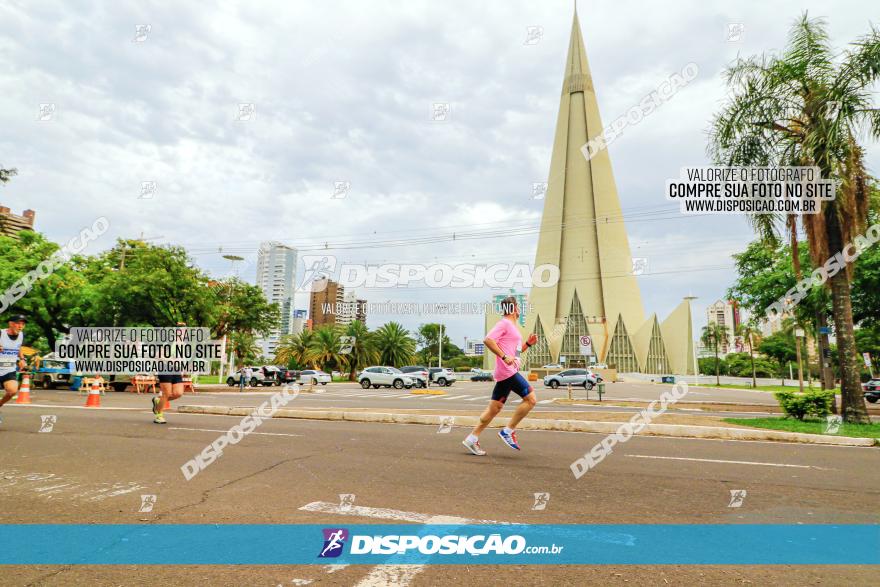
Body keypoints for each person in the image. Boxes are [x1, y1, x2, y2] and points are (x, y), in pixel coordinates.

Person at [462, 297, 538, 455]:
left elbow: (515, 353)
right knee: (531, 399)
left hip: (507, 372)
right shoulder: (504, 323)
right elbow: (488, 340)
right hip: (508, 371)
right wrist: (504, 357)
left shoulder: (513, 327)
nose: (519, 309)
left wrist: (528, 344)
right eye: (518, 306)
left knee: (494, 409)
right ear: (512, 308)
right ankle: (508, 431)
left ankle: (471, 438)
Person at [152, 322, 187, 424]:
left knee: (178, 393)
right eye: (181, 331)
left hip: (176, 370)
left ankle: (158, 402)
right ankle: (159, 415)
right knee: (167, 393)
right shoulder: (169, 342)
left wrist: (182, 369)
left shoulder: (183, 345)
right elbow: (157, 355)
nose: (183, 334)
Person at [0, 315, 28, 422]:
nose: (20, 326)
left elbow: (19, 347)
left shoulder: (21, 335)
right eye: (18, 323)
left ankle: (0, 404)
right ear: (10, 323)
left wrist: (22, 359)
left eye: (22, 324)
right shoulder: (1, 333)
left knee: (12, 391)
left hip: (8, 369)